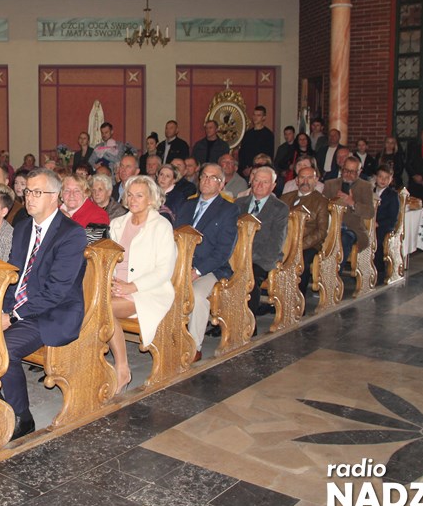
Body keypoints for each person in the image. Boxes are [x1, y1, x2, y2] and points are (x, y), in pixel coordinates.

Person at [0, 169, 86, 440]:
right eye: (27, 191)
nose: (29, 197)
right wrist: (0, 308)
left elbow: (55, 292)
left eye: (37, 192)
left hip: (53, 313)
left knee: (4, 348)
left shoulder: (71, 233)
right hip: (22, 307)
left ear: (54, 196)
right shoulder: (23, 227)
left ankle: (22, 417)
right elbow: (14, 275)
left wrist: (12, 316)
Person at [108, 175, 176, 389]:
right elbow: (109, 259)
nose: (133, 199)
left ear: (151, 199)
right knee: (82, 303)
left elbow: (164, 270)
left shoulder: (161, 226)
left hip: (147, 291)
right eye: (130, 195)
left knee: (100, 310)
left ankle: (122, 369)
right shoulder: (117, 223)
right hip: (115, 287)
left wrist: (131, 286)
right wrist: (110, 280)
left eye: (139, 195)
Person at [177, 164, 239, 354]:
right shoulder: (187, 205)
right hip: (181, 264)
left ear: (221, 184)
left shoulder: (228, 209)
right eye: (204, 176)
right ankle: (168, 339)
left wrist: (197, 271)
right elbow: (175, 237)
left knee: (196, 295)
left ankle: (194, 347)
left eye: (213, 178)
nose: (206, 181)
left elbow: (223, 251)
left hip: (210, 269)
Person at [235, 166, 288, 317]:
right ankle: (227, 320)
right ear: (251, 181)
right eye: (257, 180)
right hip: (236, 256)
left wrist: (249, 259)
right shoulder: (239, 203)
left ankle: (248, 323)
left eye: (265, 182)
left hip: (263, 259)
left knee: (249, 279)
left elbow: (275, 244)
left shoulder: (280, 208)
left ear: (273, 186)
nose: (259, 185)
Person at [280, 166, 329, 297]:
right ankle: (276, 296)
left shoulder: (321, 201)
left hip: (308, 244)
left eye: (309, 178)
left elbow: (321, 231)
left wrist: (299, 245)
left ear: (316, 180)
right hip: (283, 242)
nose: (305, 181)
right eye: (302, 178)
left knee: (302, 263)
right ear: (297, 180)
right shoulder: (285, 198)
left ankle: (298, 299)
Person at [323, 156, 376, 266]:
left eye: (353, 172)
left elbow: (370, 212)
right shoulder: (330, 184)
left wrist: (352, 203)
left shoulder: (365, 186)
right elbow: (322, 207)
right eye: (346, 170)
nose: (348, 174)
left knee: (344, 239)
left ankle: (335, 272)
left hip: (353, 229)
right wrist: (334, 202)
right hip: (331, 227)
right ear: (342, 169)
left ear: (359, 172)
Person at [373, 164, 400, 282]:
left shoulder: (392, 195)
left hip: (384, 226)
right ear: (376, 177)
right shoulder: (370, 191)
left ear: (391, 179)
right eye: (380, 177)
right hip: (369, 224)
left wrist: (378, 223)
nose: (383, 180)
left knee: (377, 240)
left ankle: (379, 271)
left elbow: (393, 217)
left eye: (386, 178)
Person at [238, 105, 275, 178]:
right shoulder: (247, 134)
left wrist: (254, 168)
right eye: (254, 115)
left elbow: (268, 155)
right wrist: (244, 168)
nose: (255, 117)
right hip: (246, 171)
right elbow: (242, 153)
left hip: (260, 169)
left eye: (258, 115)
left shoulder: (268, 135)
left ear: (264, 117)